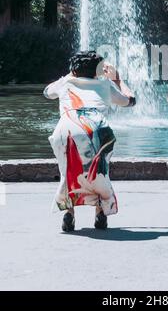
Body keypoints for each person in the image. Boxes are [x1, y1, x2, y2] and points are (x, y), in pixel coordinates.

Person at [43, 51, 136, 232]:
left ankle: (69, 212)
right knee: (100, 172)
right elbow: (131, 101)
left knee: (68, 171)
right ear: (98, 71)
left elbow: (47, 92)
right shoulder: (105, 84)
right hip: (98, 128)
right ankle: (100, 211)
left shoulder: (66, 83)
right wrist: (117, 79)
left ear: (74, 70)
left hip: (67, 127)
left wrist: (70, 75)